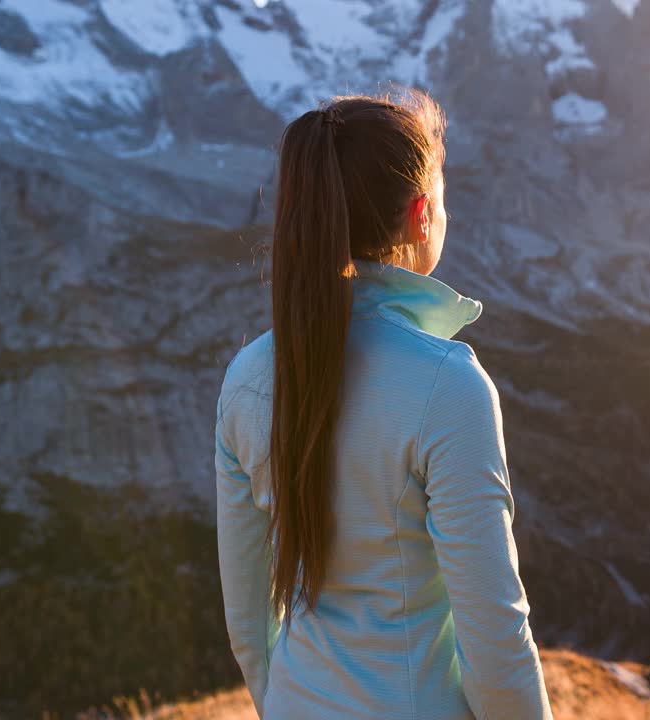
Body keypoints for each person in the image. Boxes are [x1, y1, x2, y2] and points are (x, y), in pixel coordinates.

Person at [213, 89, 552, 720]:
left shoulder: (248, 377)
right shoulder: (448, 385)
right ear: (422, 214)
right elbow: (495, 642)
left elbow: (248, 623)